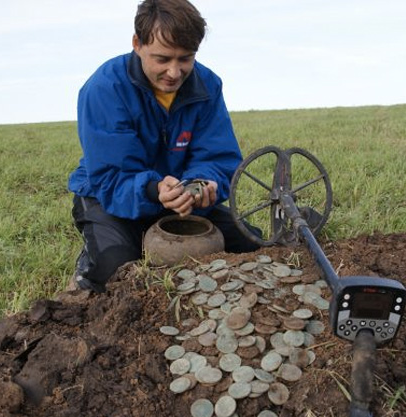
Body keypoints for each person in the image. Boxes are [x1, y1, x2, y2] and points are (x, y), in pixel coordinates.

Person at [67, 0, 261, 293]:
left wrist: (202, 185)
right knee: (116, 268)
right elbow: (110, 177)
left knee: (252, 244)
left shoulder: (207, 85)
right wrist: (155, 190)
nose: (174, 72)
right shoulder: (104, 88)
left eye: (185, 58)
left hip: (179, 197)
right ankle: (93, 261)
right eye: (162, 59)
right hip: (108, 197)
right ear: (137, 43)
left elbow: (219, 158)